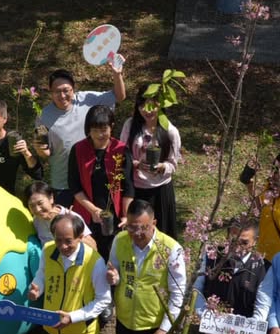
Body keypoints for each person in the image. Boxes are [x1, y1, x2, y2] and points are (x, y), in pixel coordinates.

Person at [106, 199, 186, 334]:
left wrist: (164, 329)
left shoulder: (170, 248)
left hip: (154, 324)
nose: (137, 233)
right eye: (132, 227)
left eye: (143, 228)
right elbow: (114, 271)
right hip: (125, 320)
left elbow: (177, 293)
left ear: (154, 223)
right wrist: (113, 278)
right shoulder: (120, 241)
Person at [27, 214, 111, 334]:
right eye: (58, 240)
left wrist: (72, 317)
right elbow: (42, 274)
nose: (63, 246)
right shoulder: (48, 251)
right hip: (54, 327)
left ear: (80, 237)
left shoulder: (94, 261)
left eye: (68, 242)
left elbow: (103, 300)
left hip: (82, 333)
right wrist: (36, 287)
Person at [35, 60, 126, 209]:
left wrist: (117, 74)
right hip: (63, 181)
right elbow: (46, 153)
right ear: (50, 92)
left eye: (66, 90)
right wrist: (39, 149)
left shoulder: (87, 100)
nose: (62, 95)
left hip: (91, 178)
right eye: (56, 91)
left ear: (73, 89)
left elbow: (119, 96)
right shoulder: (43, 116)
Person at [119, 84, 181, 238]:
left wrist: (162, 167)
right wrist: (136, 164)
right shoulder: (130, 125)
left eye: (152, 105)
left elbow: (173, 163)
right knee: (138, 233)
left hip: (161, 190)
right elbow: (122, 155)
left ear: (161, 104)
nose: (146, 110)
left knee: (162, 234)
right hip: (136, 189)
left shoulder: (170, 131)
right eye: (142, 105)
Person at [69, 104, 127, 262]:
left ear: (112, 127)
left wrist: (126, 215)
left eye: (104, 129)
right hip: (87, 212)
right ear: (88, 129)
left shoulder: (121, 150)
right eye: (95, 130)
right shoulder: (78, 149)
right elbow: (74, 185)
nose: (100, 134)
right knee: (88, 256)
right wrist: (93, 210)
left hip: (114, 216)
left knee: (113, 257)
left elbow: (128, 186)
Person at [24, 181, 95, 249]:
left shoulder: (71, 217)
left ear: (51, 198)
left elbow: (93, 247)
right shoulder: (37, 221)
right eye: (32, 205)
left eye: (40, 203)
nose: (37, 209)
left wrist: (71, 231)